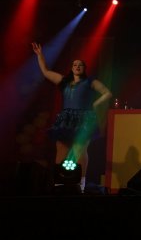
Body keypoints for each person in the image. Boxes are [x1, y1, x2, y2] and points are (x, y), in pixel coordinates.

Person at [32, 43, 112, 193]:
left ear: (84, 68)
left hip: (83, 119)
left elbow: (107, 93)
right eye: (75, 64)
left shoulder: (90, 81)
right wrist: (39, 55)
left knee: (79, 150)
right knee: (61, 149)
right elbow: (46, 71)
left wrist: (96, 103)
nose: (77, 66)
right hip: (66, 119)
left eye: (80, 65)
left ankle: (81, 184)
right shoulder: (64, 81)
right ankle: (59, 183)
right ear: (71, 68)